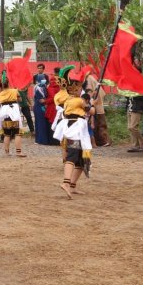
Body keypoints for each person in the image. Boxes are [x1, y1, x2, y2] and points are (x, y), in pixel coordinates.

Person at [54, 67, 92, 199]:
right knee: (73, 156)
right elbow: (90, 111)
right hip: (75, 131)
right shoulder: (78, 100)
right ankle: (66, 182)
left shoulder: (68, 100)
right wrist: (92, 102)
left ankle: (73, 185)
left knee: (80, 162)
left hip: (75, 130)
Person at [0, 74, 25, 157]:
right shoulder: (14, 91)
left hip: (4, 114)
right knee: (17, 133)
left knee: (7, 134)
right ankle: (18, 152)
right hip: (14, 113)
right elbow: (20, 99)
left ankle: (7, 152)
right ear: (8, 83)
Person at [87, 75, 111, 147]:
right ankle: (100, 141)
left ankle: (104, 140)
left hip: (96, 105)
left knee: (100, 124)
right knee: (98, 124)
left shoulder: (89, 79)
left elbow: (89, 92)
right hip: (96, 105)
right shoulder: (92, 80)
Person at [33, 79, 53, 145]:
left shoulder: (38, 87)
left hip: (39, 107)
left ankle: (40, 139)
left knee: (40, 123)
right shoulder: (42, 88)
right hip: (41, 106)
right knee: (42, 123)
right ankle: (42, 140)